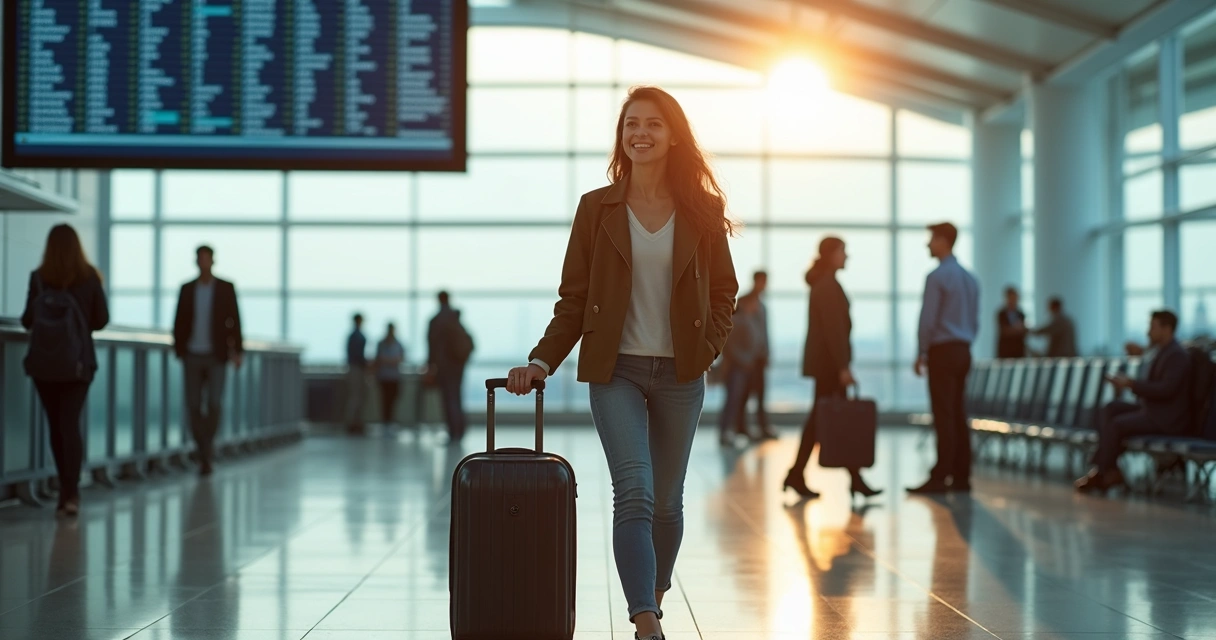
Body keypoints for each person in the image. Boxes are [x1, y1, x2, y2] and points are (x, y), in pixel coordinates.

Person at [503, 86, 738, 640]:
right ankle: (645, 618)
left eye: (653, 124)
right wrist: (542, 360)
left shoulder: (702, 211)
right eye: (631, 123)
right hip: (617, 372)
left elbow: (725, 293)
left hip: (682, 373)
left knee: (668, 502)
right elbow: (574, 299)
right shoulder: (597, 208)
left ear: (673, 134)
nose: (641, 133)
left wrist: (708, 348)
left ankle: (650, 591)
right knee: (634, 488)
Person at [21, 224, 109, 516]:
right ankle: (71, 494)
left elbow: (26, 320)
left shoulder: (40, 278)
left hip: (44, 365)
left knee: (55, 426)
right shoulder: (89, 278)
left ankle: (63, 487)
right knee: (70, 424)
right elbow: (101, 319)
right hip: (78, 364)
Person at [783, 237, 881, 501]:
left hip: (827, 365)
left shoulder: (825, 284)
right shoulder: (827, 286)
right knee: (826, 419)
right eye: (843, 252)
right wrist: (842, 366)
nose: (846, 257)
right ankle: (850, 477)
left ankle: (803, 474)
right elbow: (833, 331)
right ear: (831, 255)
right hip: (830, 366)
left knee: (821, 419)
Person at [1075, 310, 1191, 493]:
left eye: (1153, 327)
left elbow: (1165, 390)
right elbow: (1156, 388)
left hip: (1166, 419)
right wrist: (1128, 385)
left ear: (1167, 329)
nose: (1148, 332)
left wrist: (1131, 384)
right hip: (1154, 410)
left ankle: (1104, 470)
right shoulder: (1163, 352)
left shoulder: (1176, 355)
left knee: (1116, 425)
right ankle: (1109, 469)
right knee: (1111, 408)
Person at [909, 223, 980, 495]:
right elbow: (975, 321)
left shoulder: (937, 277)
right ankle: (961, 475)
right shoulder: (970, 279)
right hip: (963, 350)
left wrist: (922, 350)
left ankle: (941, 474)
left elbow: (928, 319)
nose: (928, 245)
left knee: (944, 414)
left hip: (942, 351)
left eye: (931, 240)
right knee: (959, 412)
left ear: (943, 241)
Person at [172, 245, 244, 477]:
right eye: (200, 258)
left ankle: (207, 449)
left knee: (214, 403)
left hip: (216, 355)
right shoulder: (187, 289)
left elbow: (235, 319)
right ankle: (203, 449)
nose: (203, 262)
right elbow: (179, 320)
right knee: (193, 405)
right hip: (192, 354)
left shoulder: (225, 288)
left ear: (213, 261)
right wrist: (179, 348)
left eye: (207, 259)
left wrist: (237, 350)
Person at [734, 271, 776, 440]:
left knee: (760, 394)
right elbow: (734, 332)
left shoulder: (762, 306)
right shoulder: (743, 303)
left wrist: (766, 353)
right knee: (742, 394)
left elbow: (764, 332)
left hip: (758, 357)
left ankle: (761, 426)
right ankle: (740, 427)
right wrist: (741, 356)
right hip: (745, 359)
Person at [719, 293, 763, 447]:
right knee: (733, 399)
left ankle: (737, 429)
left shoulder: (750, 320)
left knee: (740, 399)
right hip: (738, 368)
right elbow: (731, 347)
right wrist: (745, 360)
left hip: (746, 367)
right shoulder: (738, 321)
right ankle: (726, 431)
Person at [427, 291, 471, 444]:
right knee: (457, 397)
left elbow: (432, 346)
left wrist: (430, 367)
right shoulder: (455, 317)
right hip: (458, 366)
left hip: (444, 366)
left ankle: (453, 432)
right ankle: (460, 430)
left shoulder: (436, 320)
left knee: (448, 399)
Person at [375, 323, 406, 427]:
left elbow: (402, 358)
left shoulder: (398, 344)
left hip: (394, 377)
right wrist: (391, 361)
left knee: (393, 400)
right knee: (385, 400)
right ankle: (385, 421)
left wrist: (389, 360)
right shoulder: (381, 344)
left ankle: (391, 421)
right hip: (384, 377)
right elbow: (378, 359)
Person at [346, 313, 369, 435]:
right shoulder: (356, 336)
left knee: (358, 396)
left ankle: (356, 422)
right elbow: (357, 355)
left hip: (357, 367)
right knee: (356, 397)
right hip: (357, 368)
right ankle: (353, 423)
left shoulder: (354, 335)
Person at [996, 286, 1027, 359]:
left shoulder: (1021, 314)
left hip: (1018, 352)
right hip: (1005, 352)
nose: (1014, 300)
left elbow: (1024, 331)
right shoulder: (1001, 314)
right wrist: (1017, 329)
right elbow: (1004, 330)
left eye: (1015, 298)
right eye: (1011, 298)